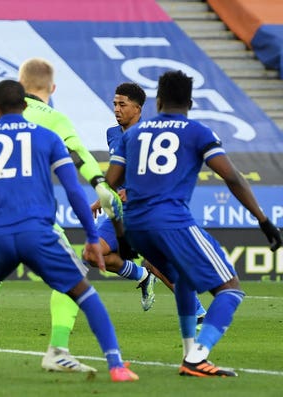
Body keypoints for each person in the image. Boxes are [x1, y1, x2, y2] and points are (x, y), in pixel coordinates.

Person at [0, 58, 122, 372]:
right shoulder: (54, 122)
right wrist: (100, 184)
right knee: (75, 280)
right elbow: (78, 156)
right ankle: (59, 350)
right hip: (33, 218)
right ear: (52, 88)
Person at [105, 70, 282, 377]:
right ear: (189, 101)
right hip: (171, 222)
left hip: (136, 224)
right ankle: (198, 356)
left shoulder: (133, 135)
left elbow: (112, 180)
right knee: (231, 289)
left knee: (185, 279)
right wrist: (264, 220)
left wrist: (121, 233)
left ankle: (189, 353)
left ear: (158, 100)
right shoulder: (198, 132)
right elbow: (232, 177)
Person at [88, 82, 207, 321]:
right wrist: (103, 195)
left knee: (158, 264)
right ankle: (141, 276)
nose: (117, 109)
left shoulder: (152, 136)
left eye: (122, 104)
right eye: (115, 104)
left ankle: (197, 312)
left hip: (147, 209)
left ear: (138, 108)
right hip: (120, 210)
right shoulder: (112, 133)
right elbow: (120, 170)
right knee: (93, 254)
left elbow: (162, 176)